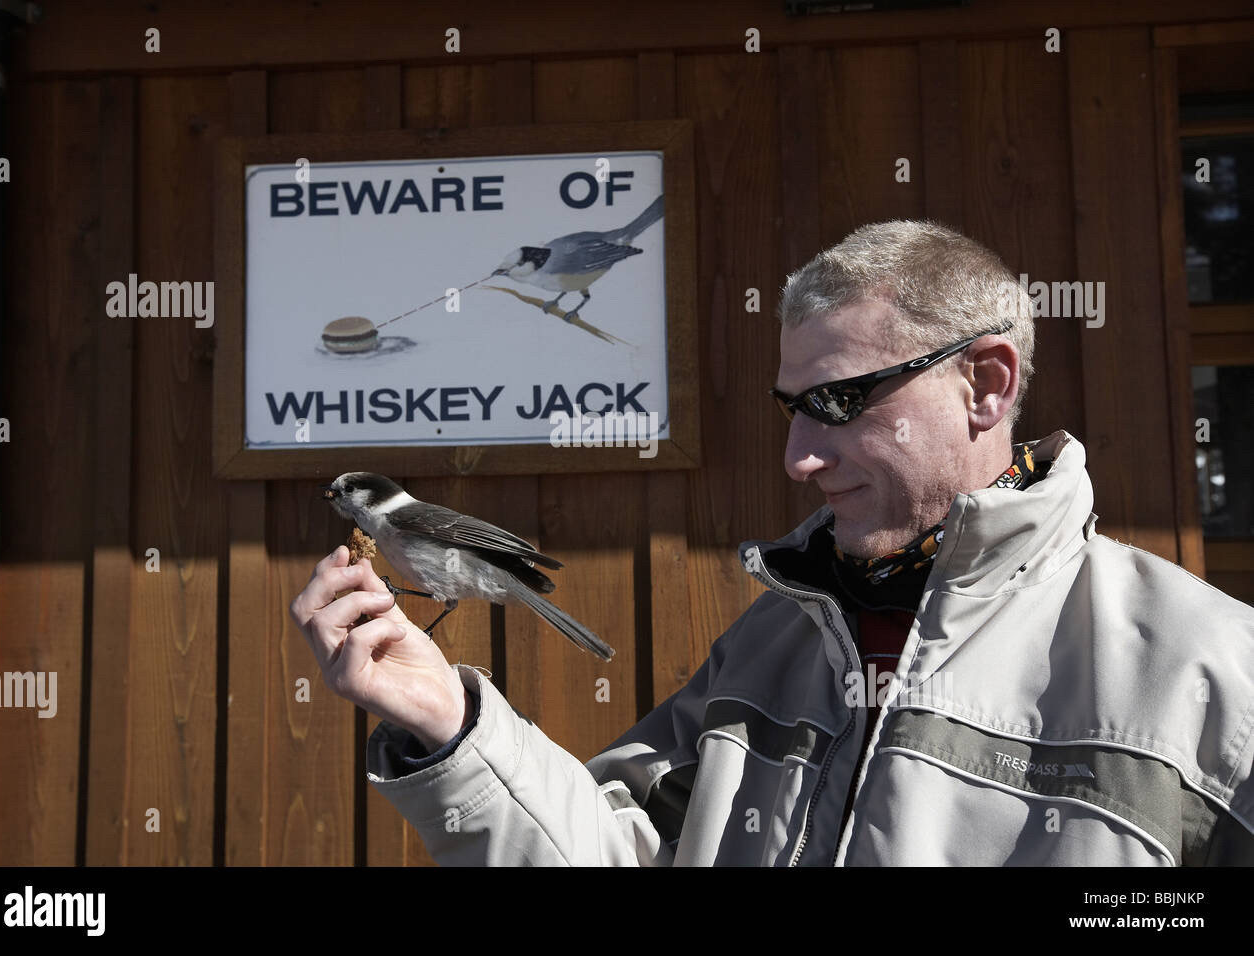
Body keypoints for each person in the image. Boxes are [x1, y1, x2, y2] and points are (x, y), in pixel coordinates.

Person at [290, 221, 1254, 865]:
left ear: (986, 387)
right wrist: (450, 726)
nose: (798, 455)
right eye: (792, 410)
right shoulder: (767, 648)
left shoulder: (1209, 671)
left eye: (836, 403)